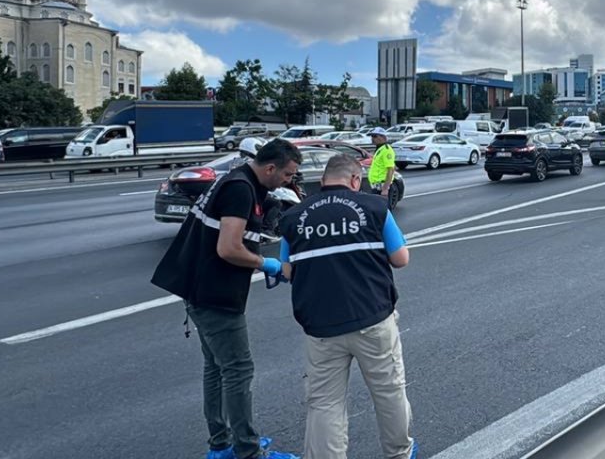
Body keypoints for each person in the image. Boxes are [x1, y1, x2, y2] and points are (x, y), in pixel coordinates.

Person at [150, 139, 304, 459]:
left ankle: (220, 445)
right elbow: (228, 248)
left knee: (217, 368)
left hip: (200, 288)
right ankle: (247, 452)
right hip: (215, 294)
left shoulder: (236, 180)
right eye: (288, 174)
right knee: (237, 369)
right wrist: (267, 264)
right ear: (271, 168)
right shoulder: (240, 189)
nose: (290, 181)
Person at [277, 154, 418, 459]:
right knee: (388, 391)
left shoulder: (293, 218)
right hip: (372, 317)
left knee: (324, 403)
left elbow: (288, 271)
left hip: (320, 325)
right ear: (355, 180)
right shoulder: (375, 207)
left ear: (323, 180)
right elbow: (401, 259)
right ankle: (399, 453)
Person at [367, 128, 398, 201]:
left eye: (375, 136)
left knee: (384, 211)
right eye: (371, 136)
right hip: (376, 187)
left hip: (382, 187)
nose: (372, 138)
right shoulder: (380, 149)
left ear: (383, 137)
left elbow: (391, 169)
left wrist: (385, 188)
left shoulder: (387, 150)